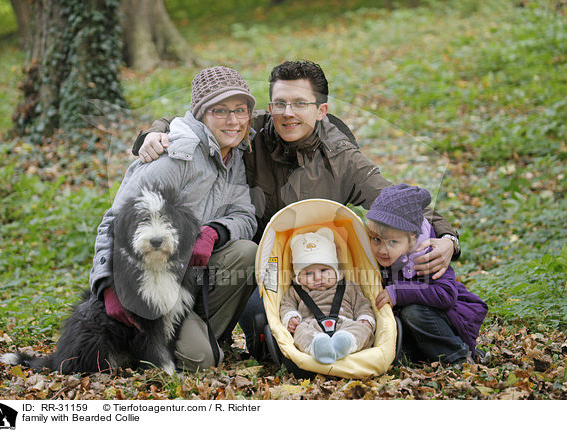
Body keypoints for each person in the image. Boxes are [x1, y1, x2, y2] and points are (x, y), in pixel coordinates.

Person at [133, 60, 461, 357]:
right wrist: (156, 132)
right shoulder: (251, 130)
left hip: (324, 270)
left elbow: (395, 200)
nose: (288, 112)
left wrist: (448, 239)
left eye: (300, 104)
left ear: (321, 109)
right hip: (260, 269)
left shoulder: (342, 158)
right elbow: (196, 118)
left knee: (339, 323)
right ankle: (213, 339)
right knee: (262, 326)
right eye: (280, 103)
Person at [90, 66, 258, 370]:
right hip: (149, 282)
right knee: (200, 360)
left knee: (247, 252)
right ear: (202, 113)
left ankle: (201, 336)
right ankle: (172, 346)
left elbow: (244, 214)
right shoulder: (175, 155)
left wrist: (214, 232)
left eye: (240, 111)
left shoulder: (235, 156)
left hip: (188, 280)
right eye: (221, 110)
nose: (233, 121)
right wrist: (108, 286)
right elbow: (115, 219)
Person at [367, 184, 488, 364]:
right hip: (413, 328)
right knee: (397, 357)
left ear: (412, 239)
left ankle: (458, 356)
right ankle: (421, 355)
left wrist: (399, 293)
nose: (383, 249)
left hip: (443, 320)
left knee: (413, 312)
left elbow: (445, 295)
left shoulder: (428, 256)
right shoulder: (378, 256)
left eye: (393, 242)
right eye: (376, 239)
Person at [280, 227, 375, 364]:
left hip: (345, 324)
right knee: (301, 332)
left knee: (362, 329)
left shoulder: (348, 287)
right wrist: (291, 317)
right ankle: (317, 347)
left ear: (335, 269)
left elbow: (363, 306)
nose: (317, 277)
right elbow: (286, 305)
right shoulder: (296, 290)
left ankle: (346, 342)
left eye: (324, 270)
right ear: (298, 276)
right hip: (311, 326)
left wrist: (365, 319)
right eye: (308, 273)